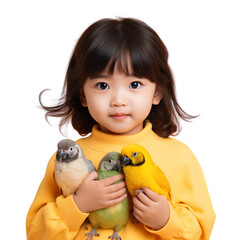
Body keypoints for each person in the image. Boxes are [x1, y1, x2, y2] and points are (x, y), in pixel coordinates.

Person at [26, 18, 215, 240]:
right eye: (102, 85)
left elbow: (200, 230)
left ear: (157, 92)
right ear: (82, 95)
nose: (118, 100)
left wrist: (166, 221)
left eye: (134, 85)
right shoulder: (65, 159)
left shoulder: (180, 157)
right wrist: (77, 205)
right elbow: (36, 234)